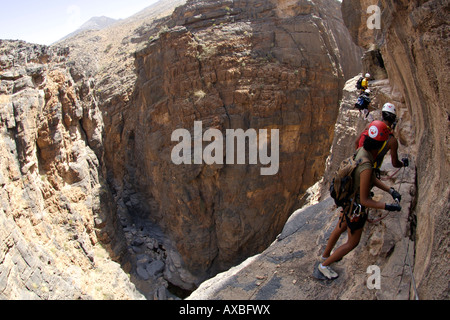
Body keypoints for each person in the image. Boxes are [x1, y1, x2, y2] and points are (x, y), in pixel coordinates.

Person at [319, 121, 402, 280]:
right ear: (380, 144)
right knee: (352, 243)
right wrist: (387, 206)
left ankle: (325, 256)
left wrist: (390, 190)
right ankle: (324, 265)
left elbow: (370, 179)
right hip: (355, 209)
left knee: (339, 228)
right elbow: (365, 200)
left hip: (347, 202)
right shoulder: (368, 165)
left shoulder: (361, 151)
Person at [355, 103, 409, 172]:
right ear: (393, 119)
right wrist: (403, 164)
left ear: (382, 115)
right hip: (371, 169)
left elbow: (356, 142)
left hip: (356, 162)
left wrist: (358, 157)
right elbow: (395, 163)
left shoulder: (370, 126)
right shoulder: (392, 141)